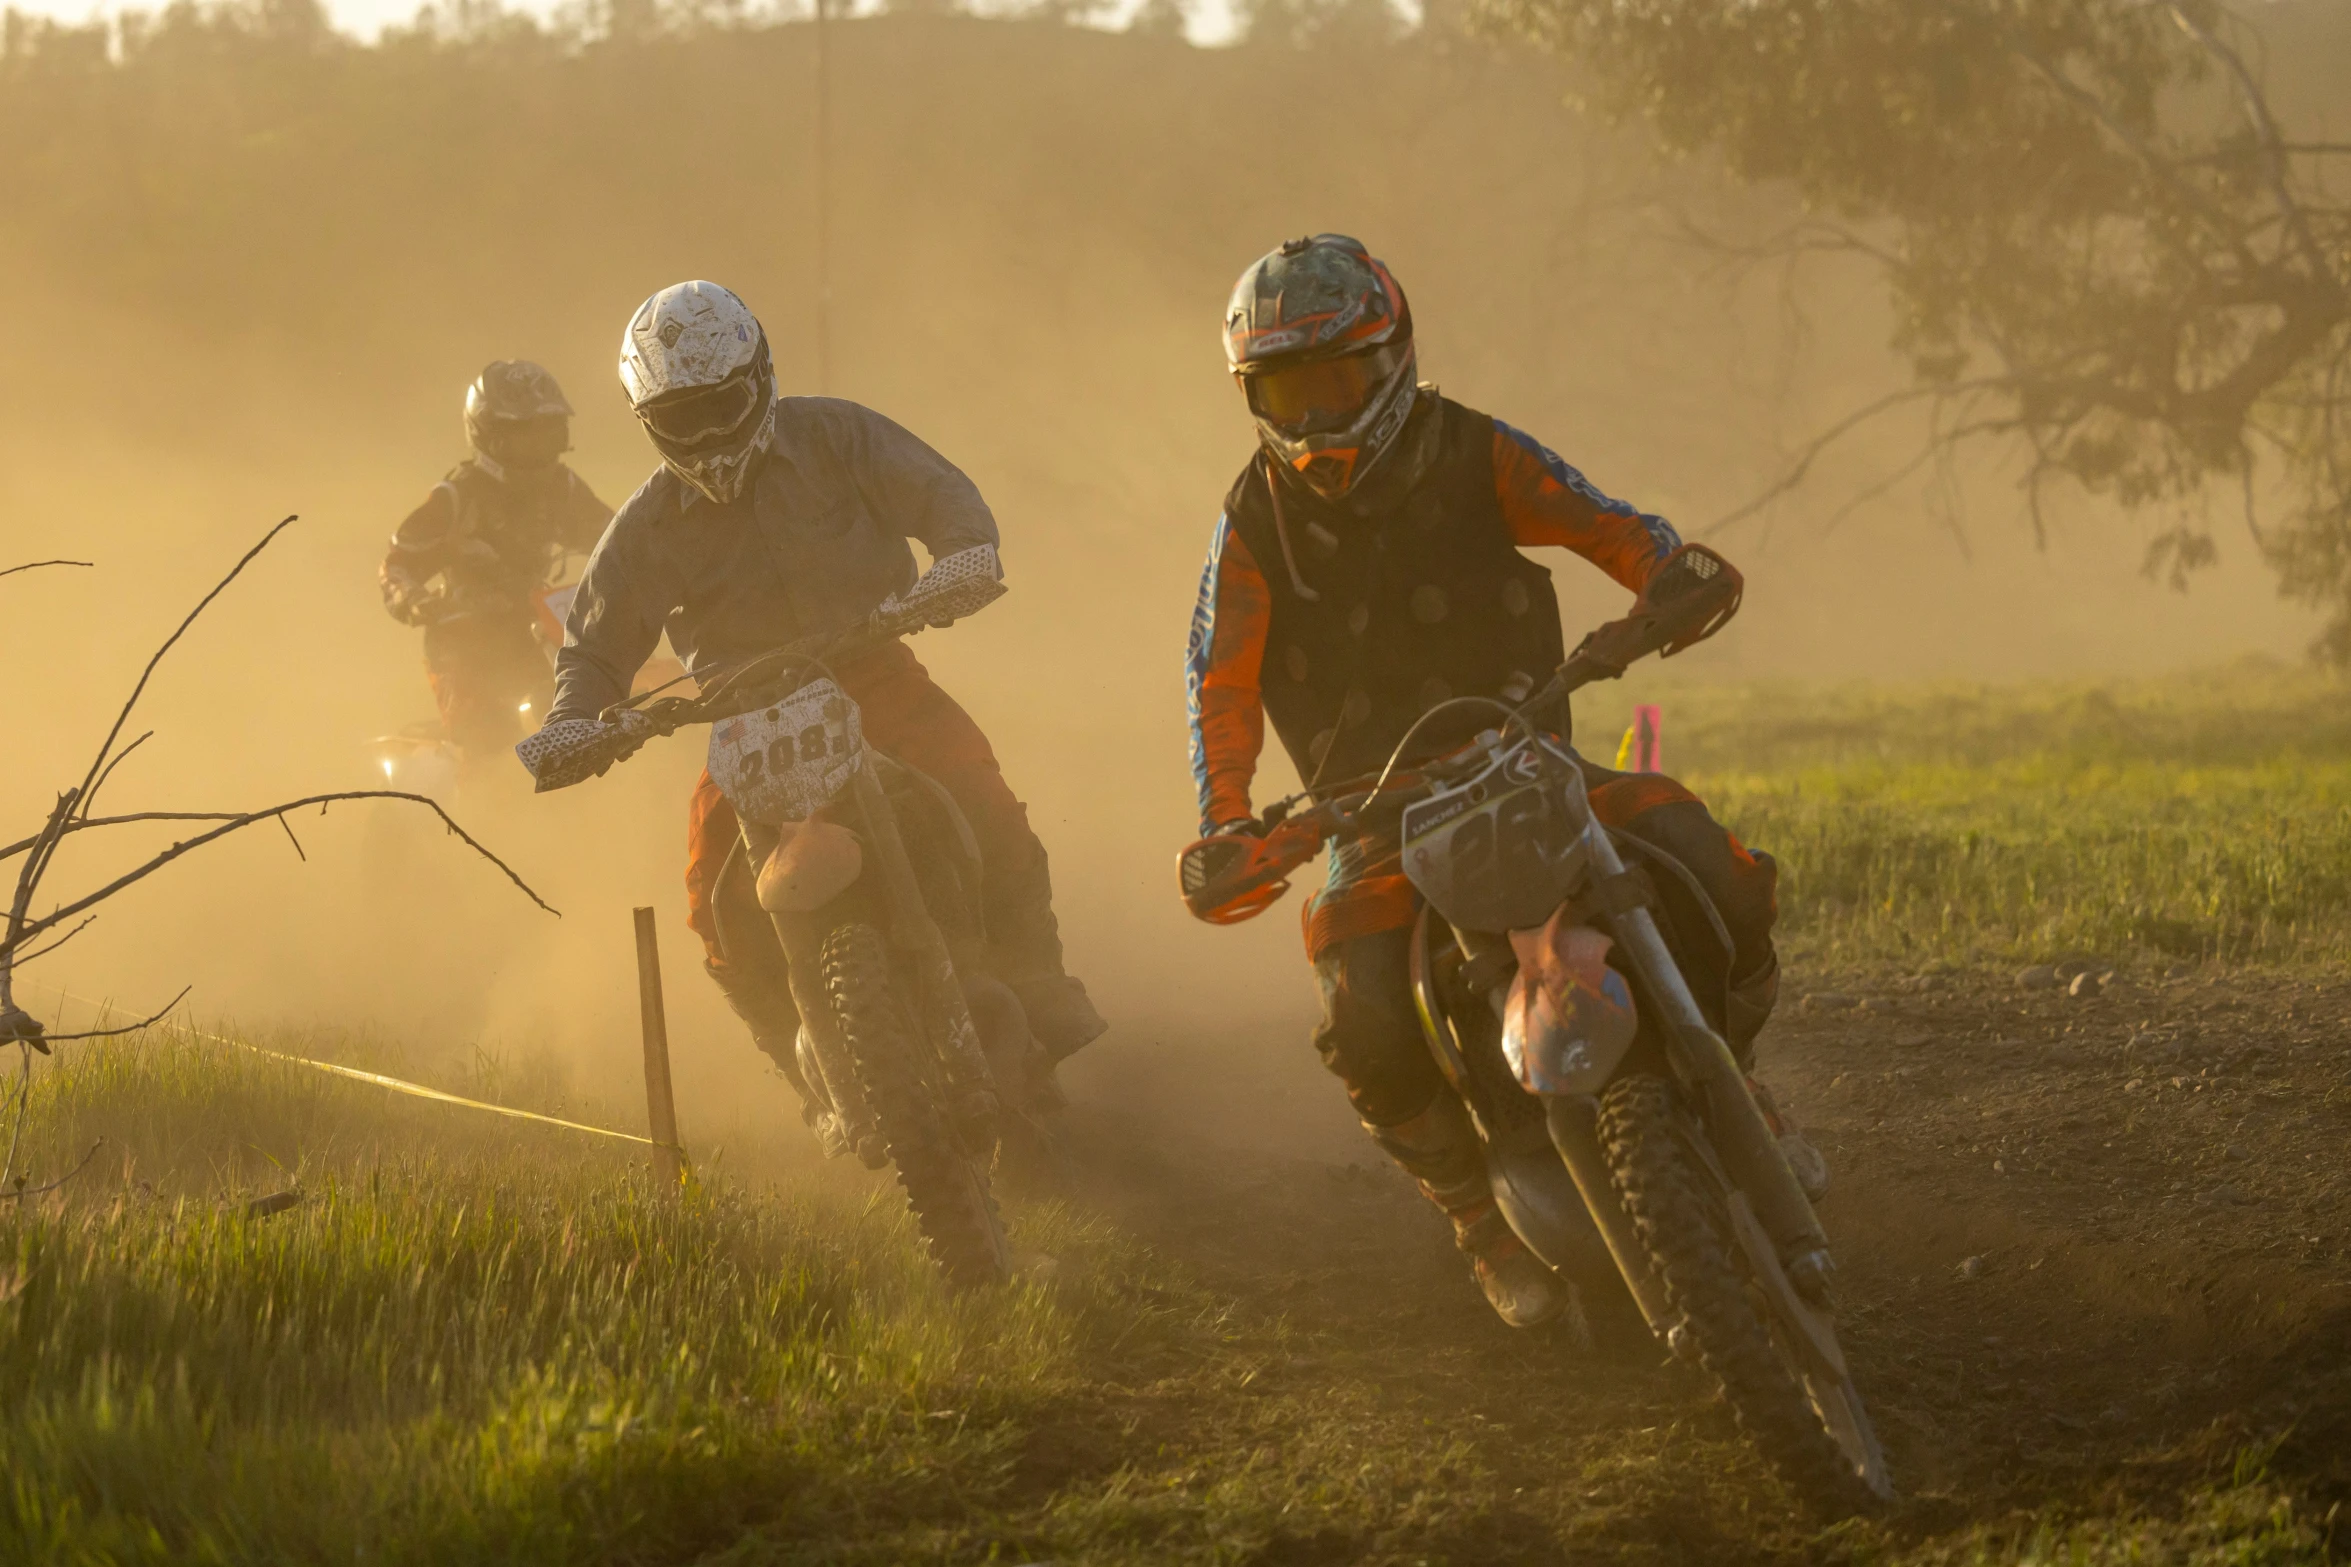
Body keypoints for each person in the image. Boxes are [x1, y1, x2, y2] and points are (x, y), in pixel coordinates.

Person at [1186, 234, 1811, 1329]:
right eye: (1288, 391)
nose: (1318, 416)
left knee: (1712, 862)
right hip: (1367, 810)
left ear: (1389, 359)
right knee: (1360, 1013)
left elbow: (1613, 528)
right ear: (1253, 397)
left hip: (1525, 756)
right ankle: (1476, 1222)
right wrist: (1227, 820)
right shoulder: (1247, 525)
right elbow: (1217, 683)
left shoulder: (1475, 450)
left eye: (1335, 381)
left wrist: (1661, 582)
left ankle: (1731, 1075)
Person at [535, 279, 1106, 1113]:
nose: (704, 434)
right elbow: (593, 646)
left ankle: (1038, 977)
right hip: (742, 716)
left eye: (720, 405)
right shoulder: (646, 524)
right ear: (649, 420)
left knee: (980, 791)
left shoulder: (839, 435)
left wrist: (962, 558)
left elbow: (943, 496)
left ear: (760, 376)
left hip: (872, 670)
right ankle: (808, 1074)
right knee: (708, 898)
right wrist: (570, 724)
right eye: (679, 419)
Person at [380, 361, 612, 768]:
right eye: (527, 437)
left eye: (549, 433)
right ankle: (482, 816)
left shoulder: (562, 487)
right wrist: (417, 602)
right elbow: (398, 564)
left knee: (591, 711)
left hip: (538, 630)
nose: (541, 450)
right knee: (489, 745)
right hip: (465, 643)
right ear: (490, 435)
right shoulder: (457, 497)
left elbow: (618, 541)